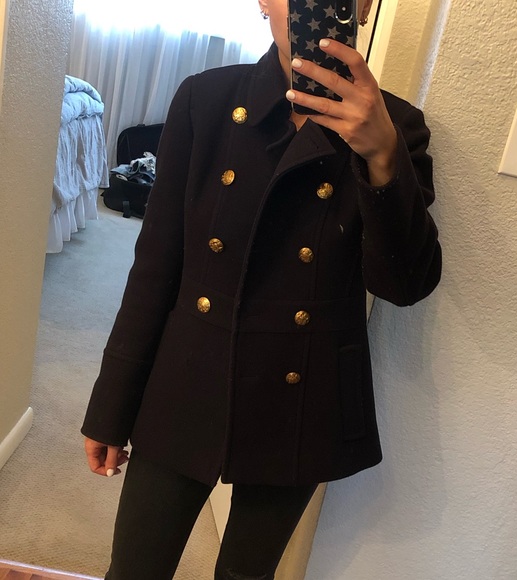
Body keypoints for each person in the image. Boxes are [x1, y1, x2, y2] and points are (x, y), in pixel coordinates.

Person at [81, 0, 442, 578]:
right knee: (133, 570)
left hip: (301, 399)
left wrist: (382, 155)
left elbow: (405, 284)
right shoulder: (205, 100)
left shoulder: (399, 127)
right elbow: (155, 267)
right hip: (186, 381)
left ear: (365, 7)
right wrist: (110, 406)